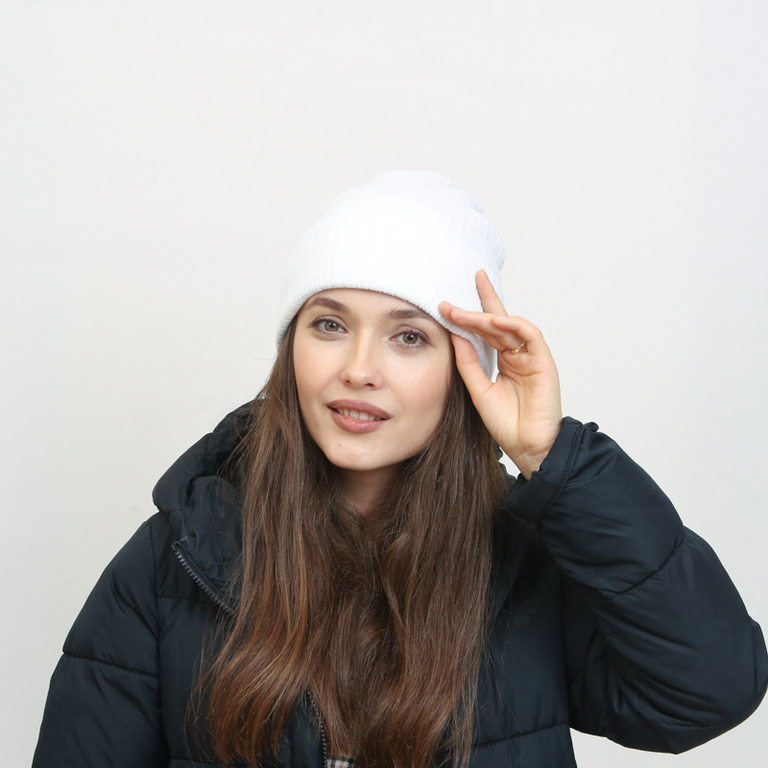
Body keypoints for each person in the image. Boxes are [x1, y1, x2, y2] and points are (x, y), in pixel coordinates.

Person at [33, 171, 767, 768]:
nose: (359, 369)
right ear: (291, 350)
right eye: (329, 324)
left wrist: (553, 460)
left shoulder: (531, 565)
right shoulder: (175, 560)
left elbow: (710, 690)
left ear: (465, 372)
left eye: (409, 337)